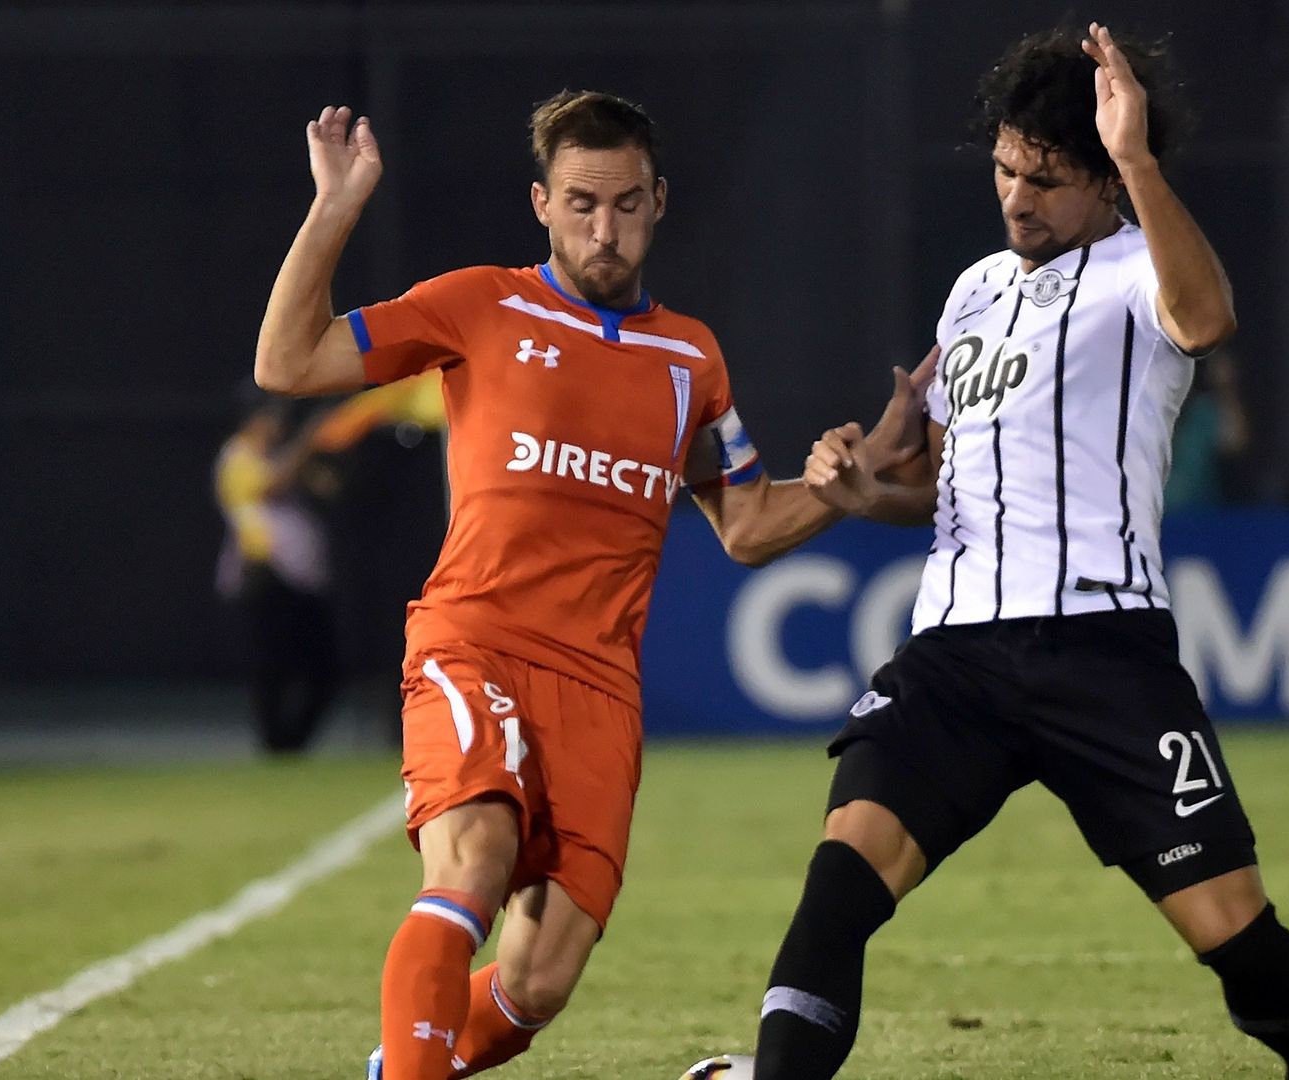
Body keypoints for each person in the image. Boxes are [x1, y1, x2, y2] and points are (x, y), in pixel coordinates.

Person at [252, 94, 930, 1080]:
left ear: (659, 202)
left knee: (538, 981)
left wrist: (853, 480)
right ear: (541, 203)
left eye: (624, 206)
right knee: (475, 858)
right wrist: (336, 206)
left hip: (599, 691)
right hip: (473, 641)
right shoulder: (479, 304)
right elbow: (286, 361)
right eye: (579, 204)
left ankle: (404, 1056)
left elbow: (745, 527)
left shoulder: (690, 358)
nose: (602, 230)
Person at [755, 24, 1289, 1080]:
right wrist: (860, 494)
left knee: (1236, 934)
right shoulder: (975, 292)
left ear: (1103, 182)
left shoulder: (1138, 269)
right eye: (1004, 169)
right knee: (840, 886)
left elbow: (1207, 320)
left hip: (1103, 653)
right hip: (953, 659)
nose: (1018, 198)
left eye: (1048, 177)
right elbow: (944, 492)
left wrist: (1136, 157)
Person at [214, 396, 341, 754]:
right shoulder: (237, 456)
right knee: (272, 669)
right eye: (271, 418)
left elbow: (329, 486)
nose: (278, 425)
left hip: (305, 579)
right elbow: (273, 484)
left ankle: (293, 744)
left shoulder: (281, 454)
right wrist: (307, 440)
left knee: (323, 669)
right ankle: (276, 745)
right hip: (266, 576)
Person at [1165, 350, 1251, 510]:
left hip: (1201, 514)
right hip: (1157, 512)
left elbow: (1235, 444)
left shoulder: (1205, 410)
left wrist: (1226, 389)